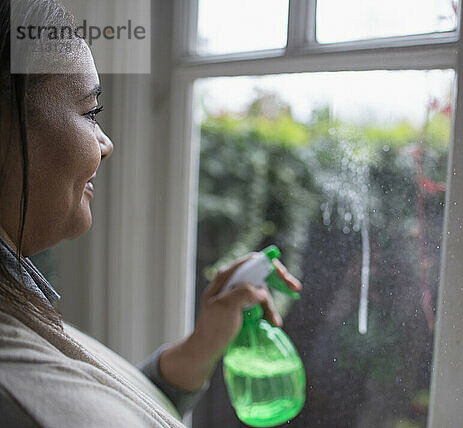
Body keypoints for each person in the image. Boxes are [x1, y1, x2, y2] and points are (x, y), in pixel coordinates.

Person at [0, 0, 302, 426]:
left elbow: (106, 409)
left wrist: (201, 346)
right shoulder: (14, 383)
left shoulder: (20, 303)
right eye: (90, 112)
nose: (107, 145)